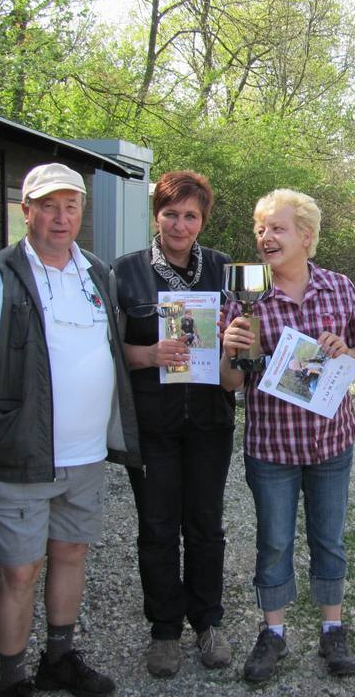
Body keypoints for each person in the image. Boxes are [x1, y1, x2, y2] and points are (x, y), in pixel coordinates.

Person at [0, 163, 139, 697]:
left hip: (86, 455)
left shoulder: (96, 273)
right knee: (20, 572)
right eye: (48, 206)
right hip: (21, 455)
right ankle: (12, 681)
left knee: (72, 555)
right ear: (26, 211)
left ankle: (59, 659)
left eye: (70, 206)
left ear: (82, 212)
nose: (61, 217)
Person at [220, 189, 355, 683]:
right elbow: (229, 382)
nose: (266, 236)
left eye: (277, 228)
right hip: (272, 447)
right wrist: (232, 349)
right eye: (261, 228)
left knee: (329, 540)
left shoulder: (338, 287)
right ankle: (274, 633)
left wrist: (344, 350)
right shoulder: (244, 297)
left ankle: (333, 629)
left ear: (306, 236)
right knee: (274, 543)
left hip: (331, 441)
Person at [112, 171, 236, 676]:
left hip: (210, 420)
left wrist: (235, 339)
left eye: (190, 215)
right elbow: (105, 349)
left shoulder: (225, 270)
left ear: (203, 219)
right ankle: (164, 630)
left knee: (206, 525)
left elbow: (251, 335)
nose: (179, 225)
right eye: (170, 214)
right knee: (158, 527)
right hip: (153, 424)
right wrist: (147, 354)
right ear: (156, 216)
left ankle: (207, 622)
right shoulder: (125, 272)